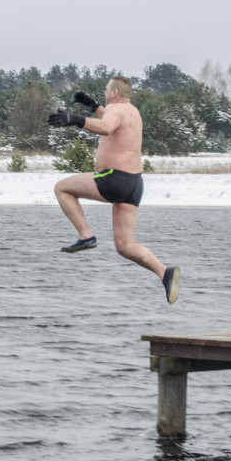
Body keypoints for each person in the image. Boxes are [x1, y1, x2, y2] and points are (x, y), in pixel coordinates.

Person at [47, 76, 180, 304]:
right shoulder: (132, 111)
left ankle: (85, 235)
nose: (106, 93)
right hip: (134, 184)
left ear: (115, 93)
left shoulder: (115, 111)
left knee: (62, 188)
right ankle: (164, 272)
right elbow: (110, 120)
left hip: (114, 179)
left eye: (107, 90)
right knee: (125, 246)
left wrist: (76, 119)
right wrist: (92, 105)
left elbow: (107, 127)